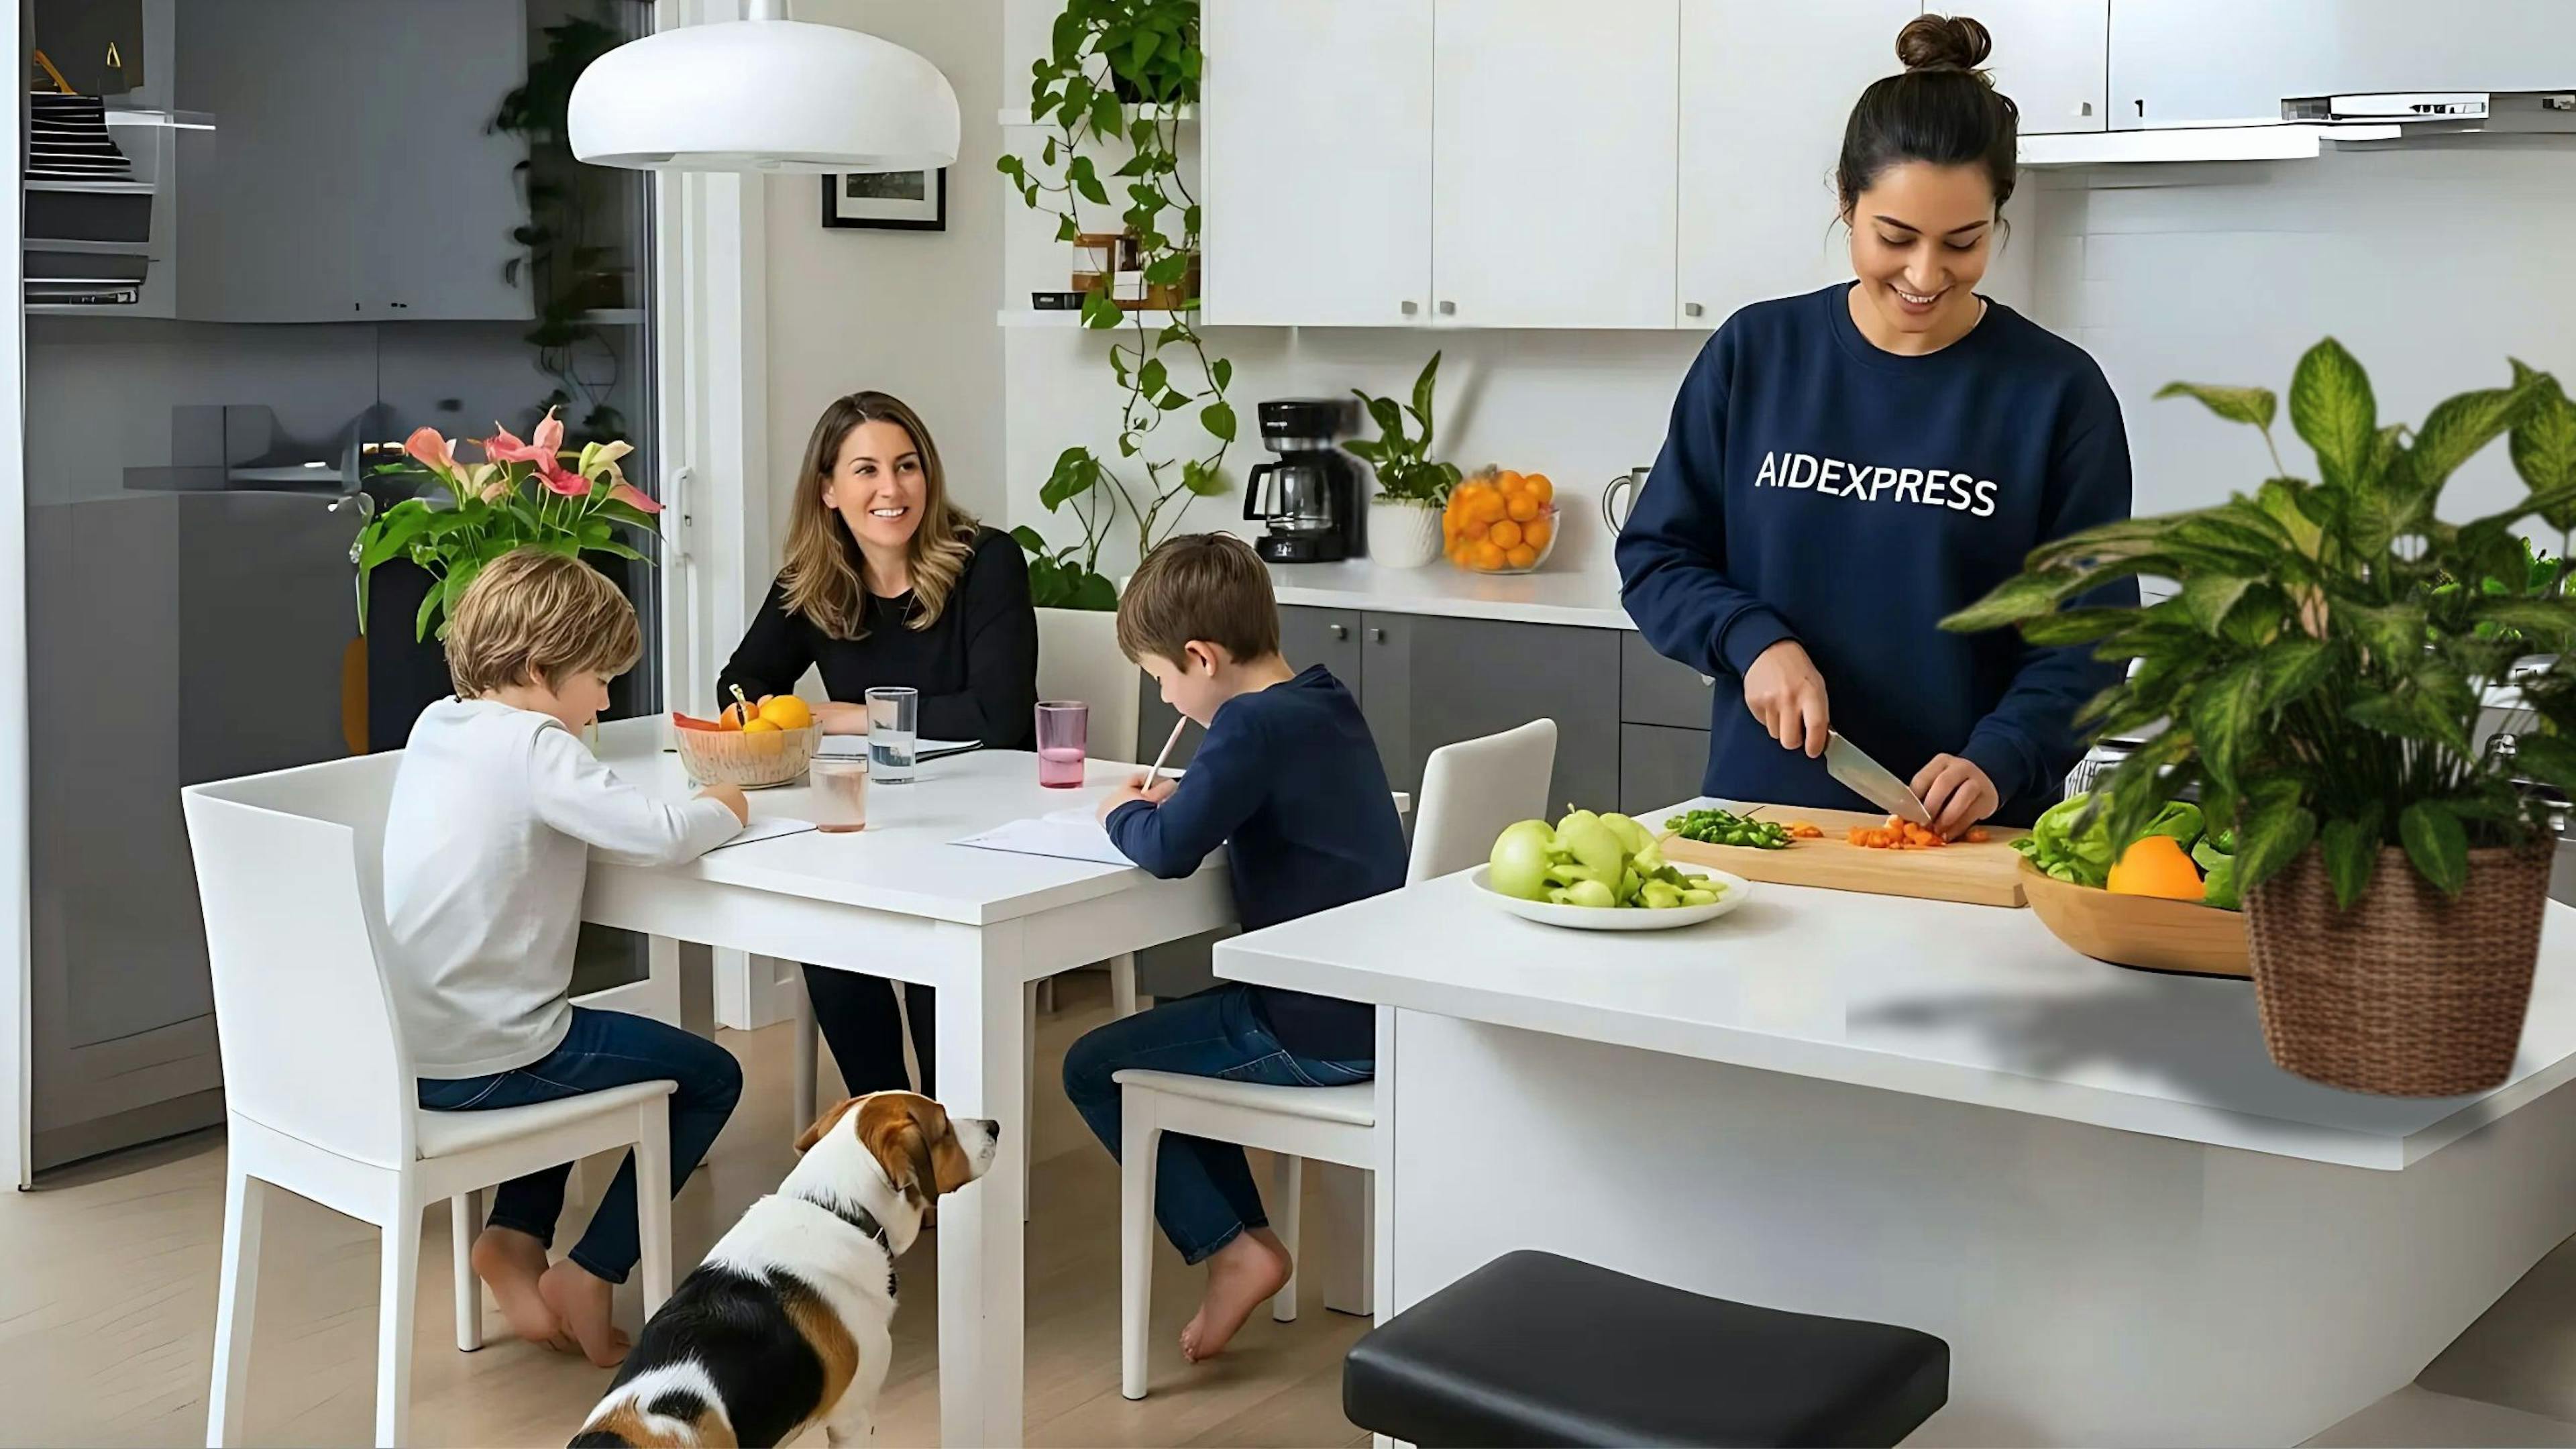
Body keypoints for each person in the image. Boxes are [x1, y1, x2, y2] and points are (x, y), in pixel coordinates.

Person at [1618, 12, 2137, 836]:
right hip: (1761, 823)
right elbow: (1657, 557)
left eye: (1963, 243)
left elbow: (2091, 642)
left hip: (1966, 838)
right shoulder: (1757, 354)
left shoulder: (2058, 394)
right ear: (1846, 202)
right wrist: (1752, 640)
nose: (1926, 275)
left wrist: (2002, 755)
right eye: (1895, 237)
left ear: (1998, 217)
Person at [386, 549, 751, 1368]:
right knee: (712, 1075)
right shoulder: (537, 746)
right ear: (542, 671)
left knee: (571, 1038)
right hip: (493, 1053)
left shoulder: (437, 724)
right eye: (600, 678)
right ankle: (591, 1270)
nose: (608, 699)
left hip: (415, 1047)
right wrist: (723, 804)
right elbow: (659, 836)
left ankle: (514, 1240)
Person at [1061, 533, 1407, 1365]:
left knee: (1092, 1065)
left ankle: (1234, 1250)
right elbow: (1253, 794)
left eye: (1162, 681)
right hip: (1373, 1009)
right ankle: (1245, 1241)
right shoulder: (1319, 698)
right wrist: (1192, 791)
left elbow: (1170, 848)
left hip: (1314, 1028)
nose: (1170, 703)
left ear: (1200, 657)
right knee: (1181, 1042)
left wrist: (1120, 811)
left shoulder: (1246, 727)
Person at [718, 392, 1038, 1102]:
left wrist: (848, 716)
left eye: (907, 466)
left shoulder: (987, 561)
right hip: (880, 820)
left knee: (933, 949)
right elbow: (740, 684)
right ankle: (892, 1129)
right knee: (830, 932)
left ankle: (949, 1134)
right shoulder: (814, 580)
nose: (891, 489)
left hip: (985, 821)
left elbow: (1000, 716)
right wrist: (777, 713)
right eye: (866, 470)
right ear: (829, 490)